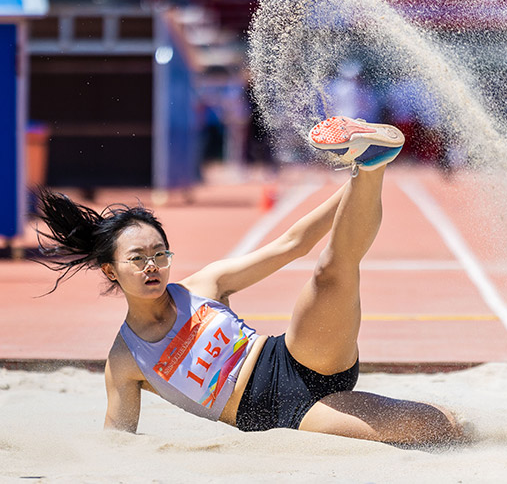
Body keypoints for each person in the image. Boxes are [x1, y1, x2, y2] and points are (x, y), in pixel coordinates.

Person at [33, 116, 463, 444]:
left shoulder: (203, 286)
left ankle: (369, 167)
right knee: (440, 429)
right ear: (111, 270)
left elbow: (292, 243)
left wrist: (354, 186)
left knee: (330, 271)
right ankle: (367, 170)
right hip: (277, 418)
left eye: (160, 254)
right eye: (138, 258)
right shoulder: (125, 360)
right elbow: (118, 442)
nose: (152, 266)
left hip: (297, 357)